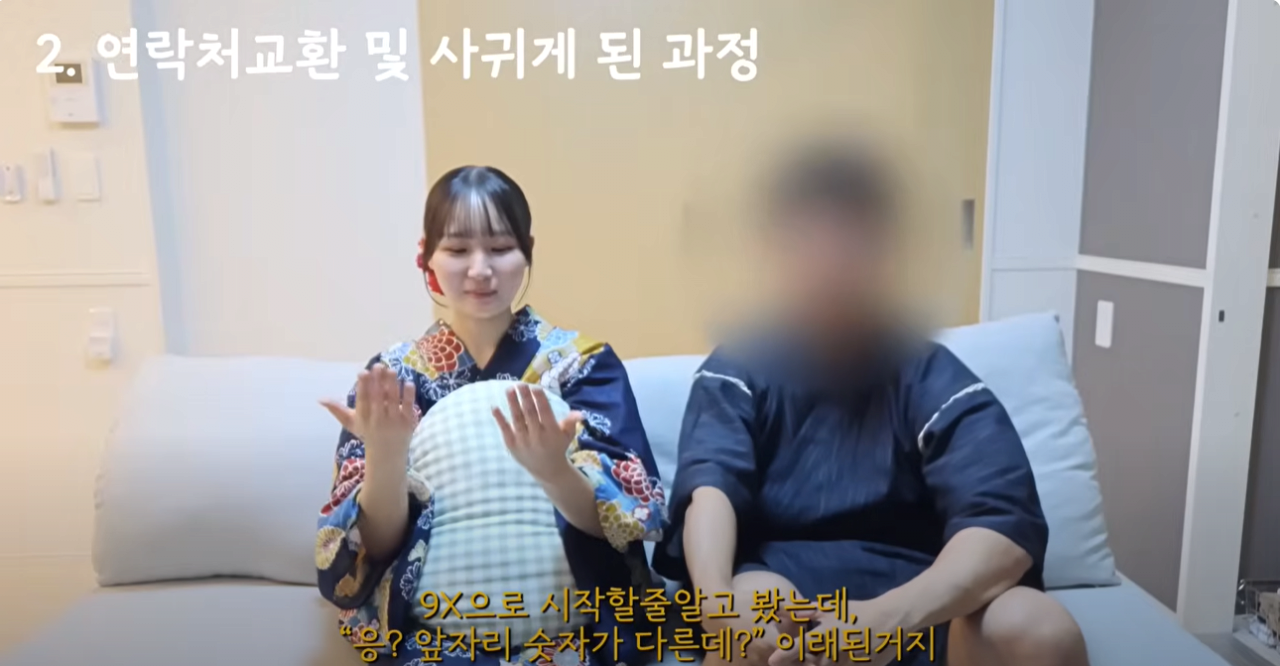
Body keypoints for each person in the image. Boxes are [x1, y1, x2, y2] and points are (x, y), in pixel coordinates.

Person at [652, 141, 1090, 666]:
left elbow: (1001, 524)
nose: (830, 264)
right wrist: (714, 602)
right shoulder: (740, 366)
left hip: (922, 603)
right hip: (785, 591)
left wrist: (882, 621)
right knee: (751, 612)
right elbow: (710, 489)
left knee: (1039, 629)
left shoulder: (931, 376)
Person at [315, 166, 667, 666]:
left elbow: (628, 521)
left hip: (579, 630)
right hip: (433, 639)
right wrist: (387, 458)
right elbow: (370, 551)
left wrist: (555, 471)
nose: (480, 269)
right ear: (426, 256)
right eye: (458, 250)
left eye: (500, 248)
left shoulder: (581, 365)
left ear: (527, 251)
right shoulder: (394, 377)